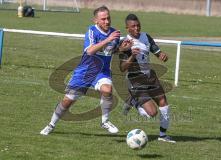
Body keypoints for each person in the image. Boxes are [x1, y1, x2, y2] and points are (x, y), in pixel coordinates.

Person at [40, 6, 121, 135]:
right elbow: (89, 51)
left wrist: (122, 48)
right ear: (96, 20)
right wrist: (107, 40)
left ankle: (105, 121)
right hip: (85, 72)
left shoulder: (114, 34)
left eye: (108, 18)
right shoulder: (92, 31)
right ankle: (51, 124)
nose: (107, 21)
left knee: (107, 90)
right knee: (67, 101)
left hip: (102, 72)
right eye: (103, 19)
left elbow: (112, 50)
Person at [119, 14, 176, 143]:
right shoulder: (125, 43)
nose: (137, 28)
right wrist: (132, 56)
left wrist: (162, 55)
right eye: (133, 26)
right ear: (127, 28)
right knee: (152, 113)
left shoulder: (146, 37)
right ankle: (133, 101)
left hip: (150, 76)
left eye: (138, 25)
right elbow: (122, 67)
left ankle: (163, 135)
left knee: (164, 103)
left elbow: (156, 50)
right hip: (136, 80)